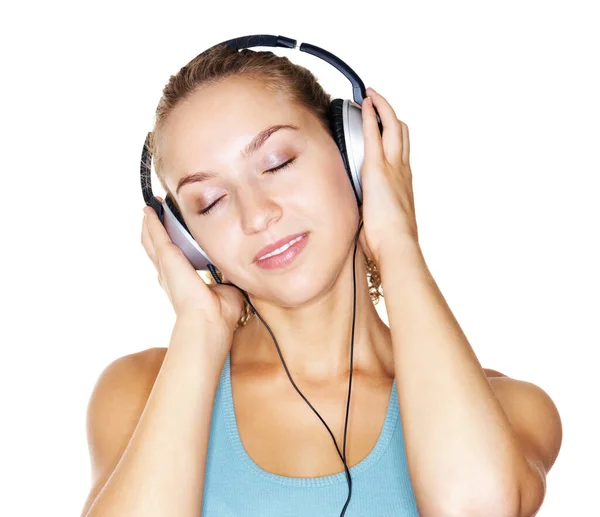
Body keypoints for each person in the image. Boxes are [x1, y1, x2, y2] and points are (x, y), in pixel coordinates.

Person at [80, 44, 562, 517]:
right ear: (186, 241)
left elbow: (475, 508)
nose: (258, 215)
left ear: (354, 153)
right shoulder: (138, 394)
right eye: (210, 202)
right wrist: (199, 333)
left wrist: (397, 242)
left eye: (277, 163)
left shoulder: (509, 408)